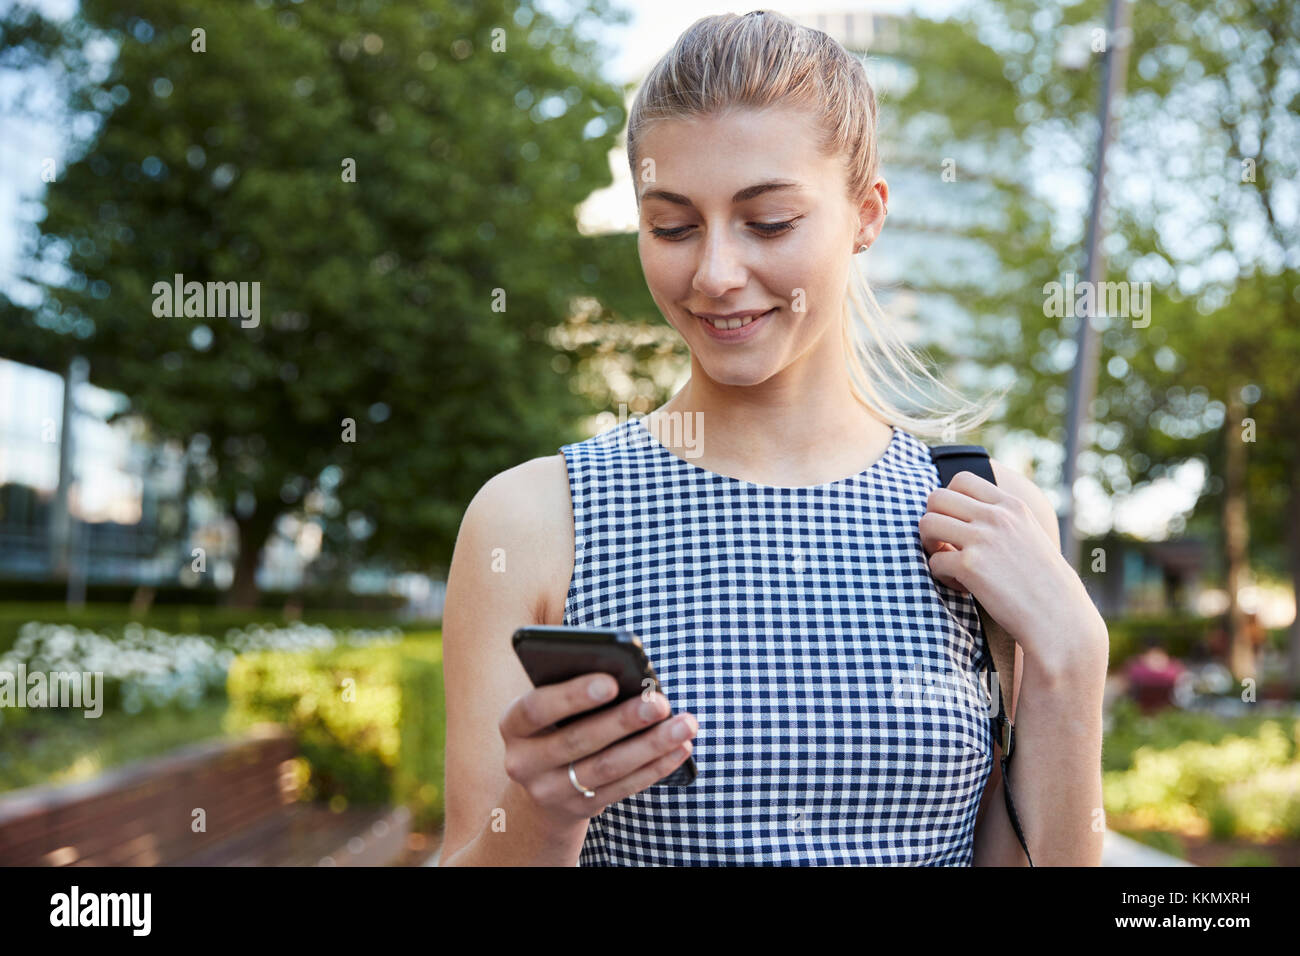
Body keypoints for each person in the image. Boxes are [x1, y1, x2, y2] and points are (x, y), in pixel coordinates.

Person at [439, 10, 1109, 867]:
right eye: (673, 226)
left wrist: (1073, 663)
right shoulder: (533, 519)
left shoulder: (983, 514)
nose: (714, 273)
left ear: (866, 215)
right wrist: (550, 812)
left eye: (769, 222)